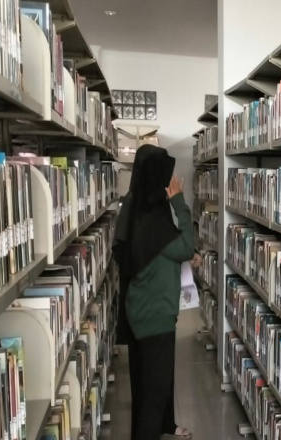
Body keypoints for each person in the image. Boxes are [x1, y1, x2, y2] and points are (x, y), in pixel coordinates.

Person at [113, 145, 194, 440]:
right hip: (155, 314)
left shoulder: (138, 208)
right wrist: (180, 203)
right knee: (154, 393)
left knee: (148, 381)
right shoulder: (156, 221)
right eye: (165, 176)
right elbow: (185, 247)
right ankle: (153, 428)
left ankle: (165, 424)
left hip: (140, 307)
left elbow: (158, 250)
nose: (169, 182)